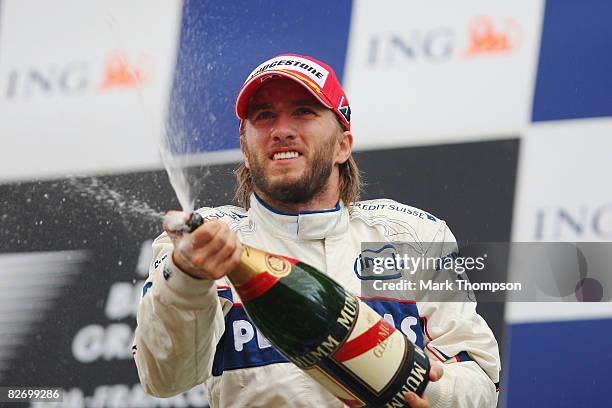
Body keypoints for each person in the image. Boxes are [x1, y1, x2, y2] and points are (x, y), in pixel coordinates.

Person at [133, 54, 501, 407]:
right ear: (246, 150)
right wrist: (187, 279)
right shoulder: (201, 244)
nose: (281, 130)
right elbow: (164, 379)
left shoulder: (414, 235)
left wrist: (432, 393)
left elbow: (481, 377)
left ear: (343, 144)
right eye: (264, 116)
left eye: (303, 111)